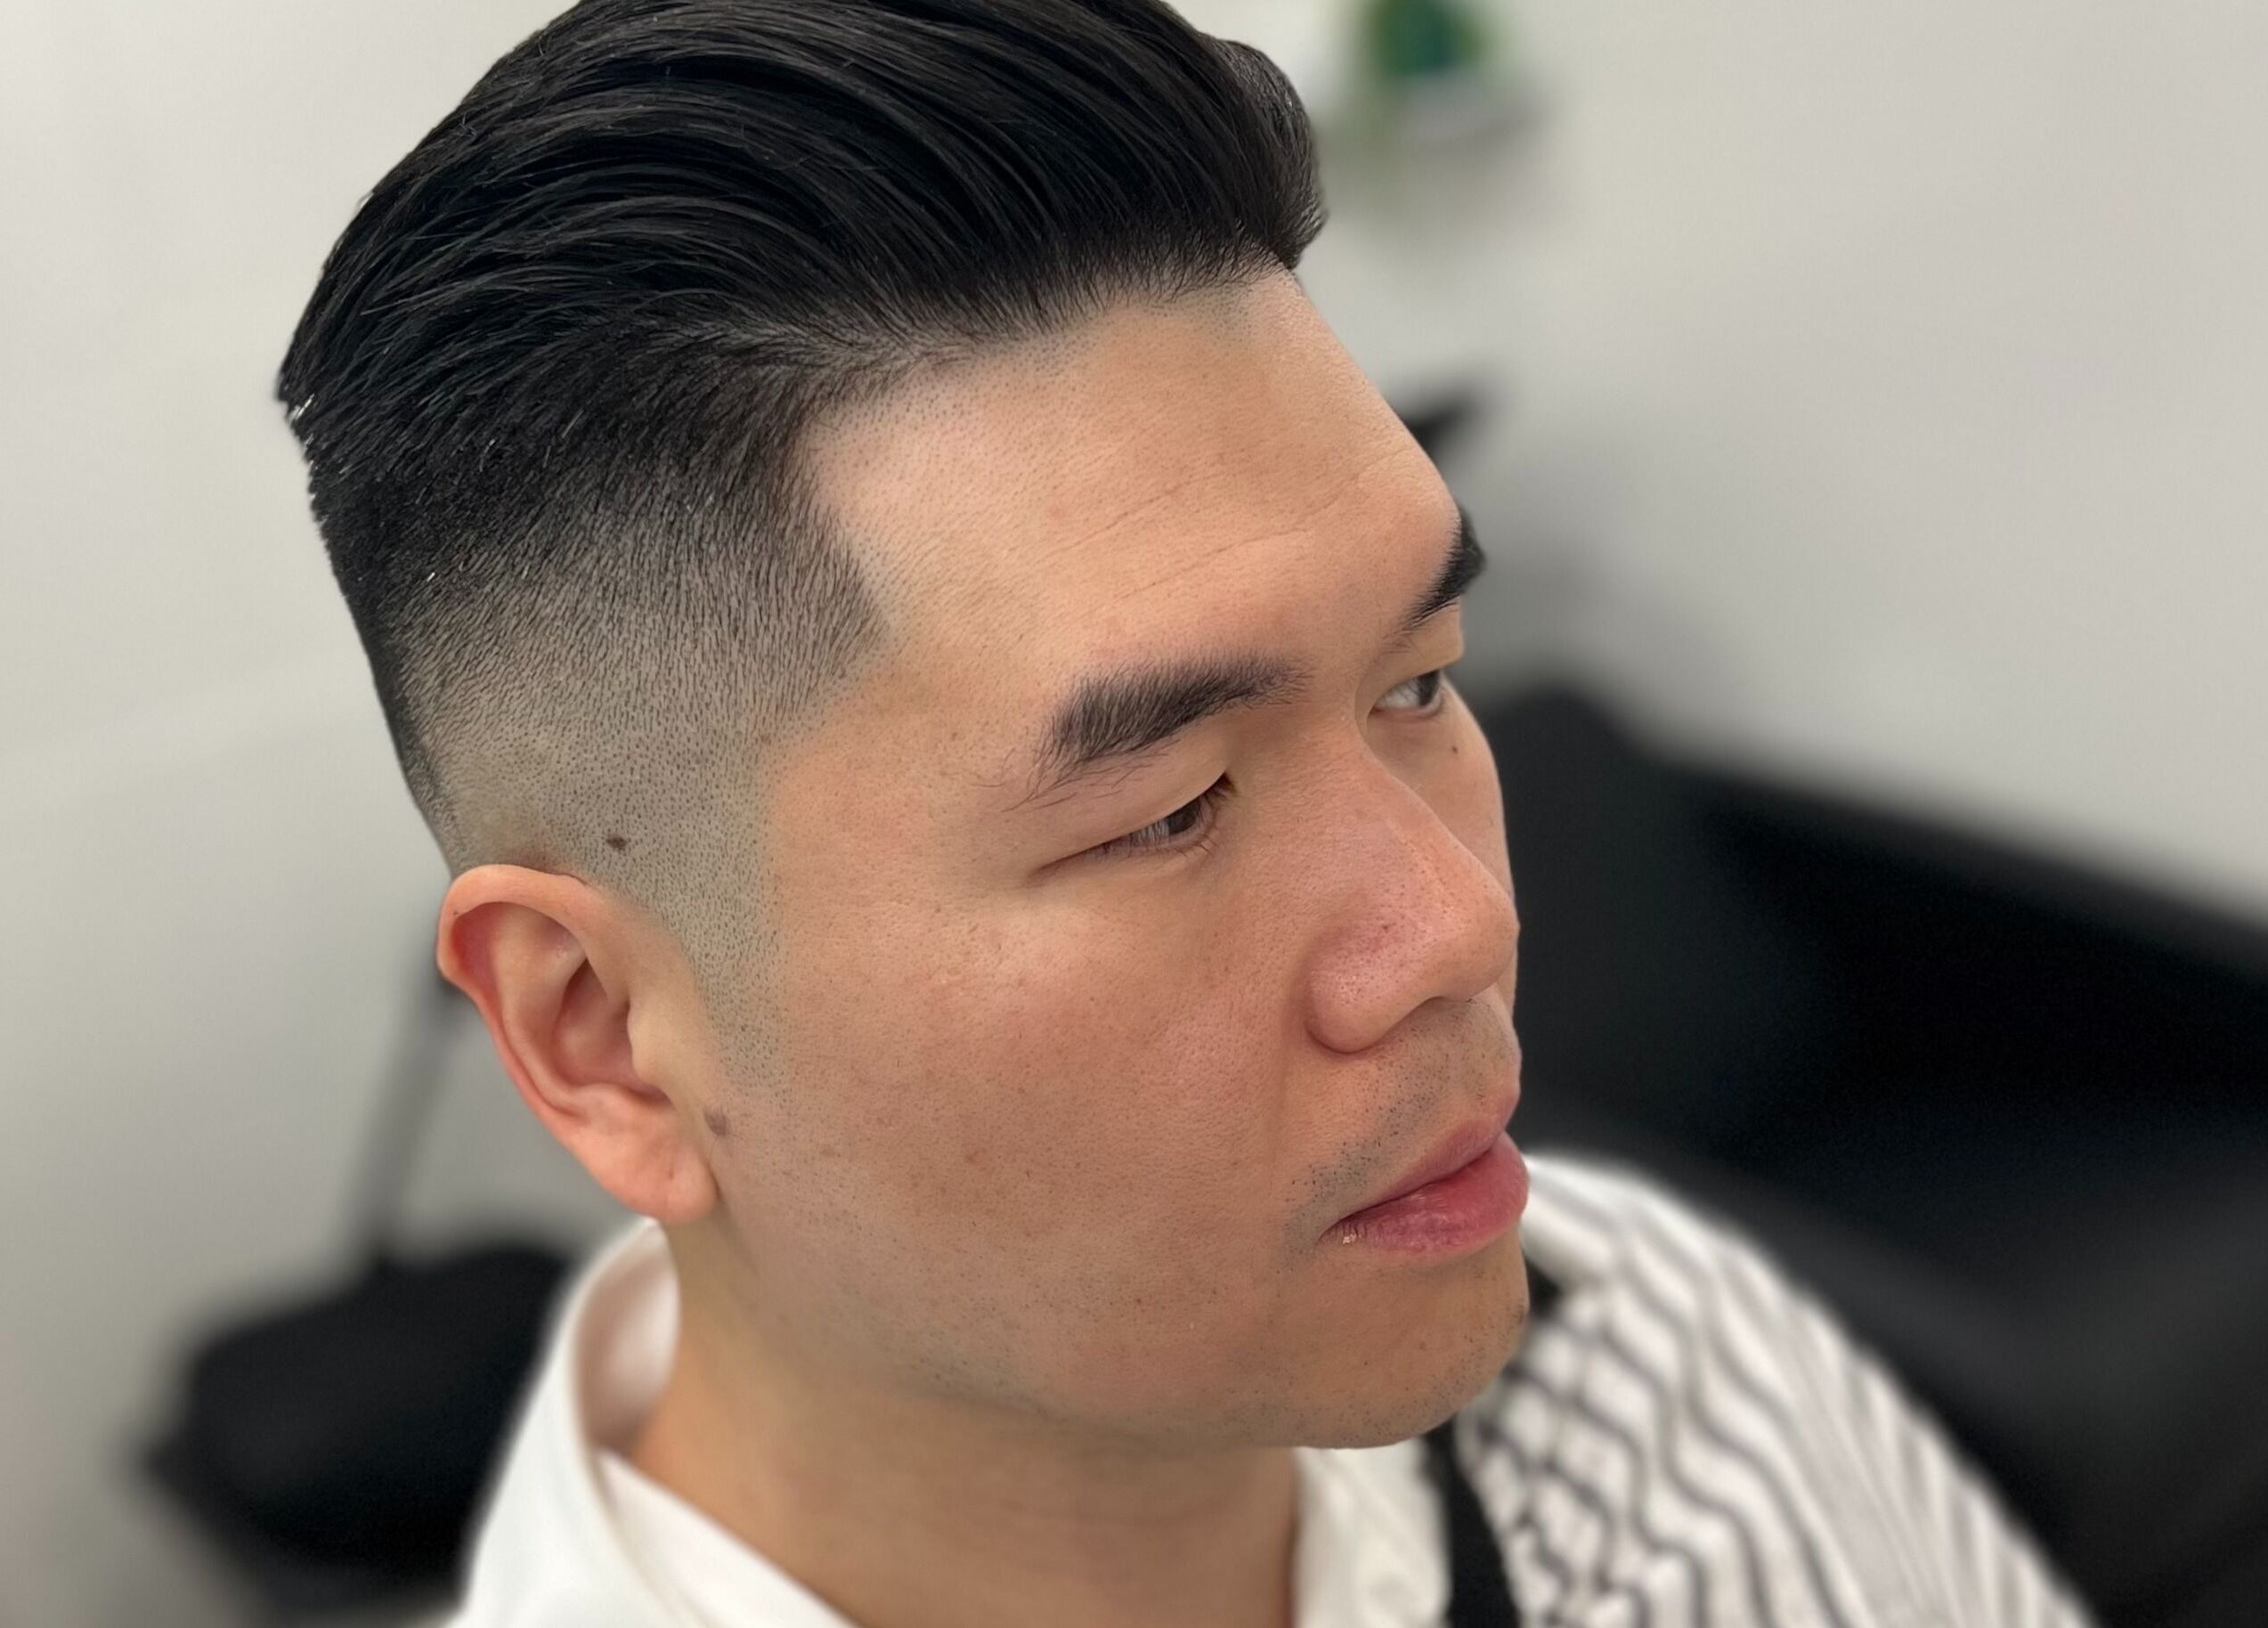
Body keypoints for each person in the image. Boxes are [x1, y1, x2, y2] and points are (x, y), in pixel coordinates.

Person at [277, 3, 2098, 1624]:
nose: (1456, 927)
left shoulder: (1642, 1345)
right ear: (599, 1036)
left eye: (1415, 680)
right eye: (1166, 810)